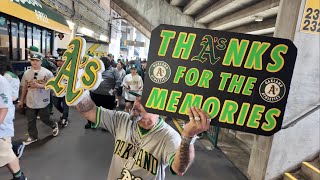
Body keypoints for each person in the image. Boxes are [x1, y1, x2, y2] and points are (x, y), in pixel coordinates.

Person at [75, 91, 210, 179]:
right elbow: (89, 112)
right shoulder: (122, 119)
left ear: (159, 109)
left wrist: (187, 138)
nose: (136, 104)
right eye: (137, 99)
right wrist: (78, 91)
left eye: (143, 102)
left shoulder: (169, 136)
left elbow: (179, 169)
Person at [18, 54, 59, 145]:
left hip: (43, 100)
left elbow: (52, 87)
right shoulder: (26, 73)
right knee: (30, 120)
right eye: (33, 60)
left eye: (37, 60)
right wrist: (21, 100)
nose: (35, 62)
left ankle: (53, 125)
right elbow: (24, 87)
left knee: (44, 118)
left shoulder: (47, 73)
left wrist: (38, 86)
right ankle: (33, 136)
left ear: (41, 61)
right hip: (30, 100)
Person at [0, 56, 27, 180]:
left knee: (5, 152)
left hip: (4, 115)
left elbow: (11, 98)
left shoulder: (6, 78)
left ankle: (19, 177)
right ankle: (16, 146)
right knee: (5, 151)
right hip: (5, 112)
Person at [85, 56, 120, 129]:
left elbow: (118, 81)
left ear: (108, 63)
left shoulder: (114, 70)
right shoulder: (96, 70)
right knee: (92, 109)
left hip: (108, 95)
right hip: (95, 93)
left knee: (107, 111)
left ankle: (106, 125)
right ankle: (91, 123)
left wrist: (115, 90)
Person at [52, 57, 69, 127]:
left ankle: (65, 119)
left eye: (61, 61)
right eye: (57, 61)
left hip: (66, 91)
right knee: (56, 104)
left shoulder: (69, 70)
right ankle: (63, 113)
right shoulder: (58, 69)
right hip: (57, 90)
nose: (59, 62)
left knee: (66, 106)